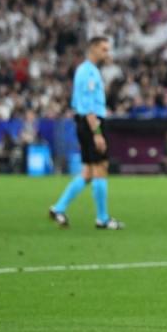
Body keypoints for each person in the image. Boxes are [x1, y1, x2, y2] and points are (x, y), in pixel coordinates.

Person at [48, 36, 124, 230]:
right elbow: (89, 107)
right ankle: (102, 219)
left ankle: (58, 208)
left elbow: (77, 102)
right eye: (104, 49)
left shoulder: (88, 70)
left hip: (86, 122)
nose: (107, 53)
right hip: (92, 123)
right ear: (93, 49)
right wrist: (97, 132)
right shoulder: (88, 71)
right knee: (101, 167)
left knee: (88, 172)